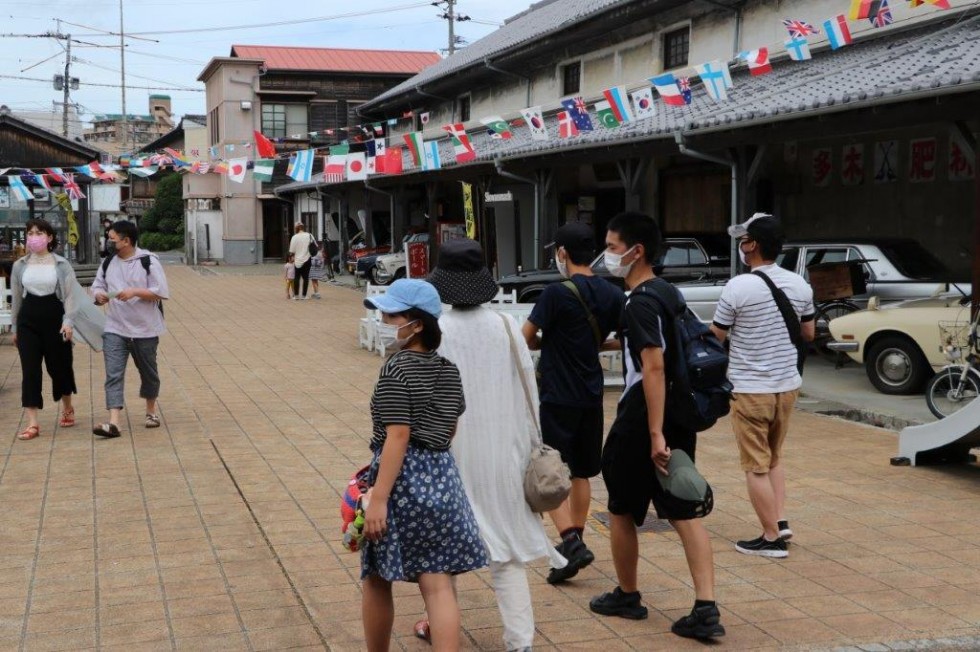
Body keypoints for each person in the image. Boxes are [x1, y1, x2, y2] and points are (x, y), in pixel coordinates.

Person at [590, 211, 724, 640]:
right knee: (683, 506)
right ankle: (706, 607)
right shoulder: (666, 292)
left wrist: (653, 433)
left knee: (621, 508)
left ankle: (628, 595)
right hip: (678, 411)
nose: (608, 256)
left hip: (644, 417)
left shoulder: (640, 301)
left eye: (612, 248)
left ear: (636, 251)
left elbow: (652, 365)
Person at [429, 239, 566, 652]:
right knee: (506, 555)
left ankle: (439, 626)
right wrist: (530, 443)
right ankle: (520, 642)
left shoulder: (437, 330)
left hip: (453, 452)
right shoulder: (507, 326)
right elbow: (530, 391)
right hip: (505, 450)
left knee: (444, 552)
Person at [360, 279, 487, 652]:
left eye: (391, 313)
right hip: (442, 476)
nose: (383, 318)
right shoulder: (448, 369)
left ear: (417, 324)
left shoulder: (396, 370)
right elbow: (450, 429)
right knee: (437, 582)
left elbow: (397, 436)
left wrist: (379, 497)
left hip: (400, 481)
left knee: (378, 578)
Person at [521, 223, 624, 584]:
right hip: (591, 394)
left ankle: (569, 543)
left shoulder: (555, 293)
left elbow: (526, 338)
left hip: (556, 395)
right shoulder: (614, 295)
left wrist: (548, 344)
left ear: (563, 254)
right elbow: (617, 340)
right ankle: (576, 538)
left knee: (550, 467)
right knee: (582, 470)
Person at [709, 213, 815, 558]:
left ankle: (771, 539)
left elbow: (717, 337)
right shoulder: (800, 284)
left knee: (755, 465)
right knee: (774, 456)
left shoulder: (738, 286)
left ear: (753, 245)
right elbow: (809, 334)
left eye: (744, 240)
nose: (741, 245)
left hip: (751, 387)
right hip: (787, 386)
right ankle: (780, 520)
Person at [91, 220, 170, 438]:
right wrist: (98, 295)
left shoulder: (148, 261)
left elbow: (161, 291)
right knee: (113, 374)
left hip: (145, 329)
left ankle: (151, 411)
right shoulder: (108, 262)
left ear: (126, 241)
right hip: (115, 327)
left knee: (149, 373)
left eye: (112, 238)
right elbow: (98, 285)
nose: (108, 242)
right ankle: (114, 422)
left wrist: (135, 291)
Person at [9, 219, 81, 440]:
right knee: (30, 371)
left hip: (55, 319)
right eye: (30, 233)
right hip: (28, 321)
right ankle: (32, 423)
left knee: (58, 367)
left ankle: (67, 405)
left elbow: (70, 296)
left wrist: (68, 322)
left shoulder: (61, 264)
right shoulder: (20, 265)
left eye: (39, 233)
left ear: (49, 237)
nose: (34, 237)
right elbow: (17, 299)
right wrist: (15, 328)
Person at [287, 222, 316, 300]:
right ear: (303, 227)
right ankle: (304, 295)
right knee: (306, 277)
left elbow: (291, 251)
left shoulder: (294, 237)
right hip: (307, 258)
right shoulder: (309, 235)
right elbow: (315, 245)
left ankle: (296, 295)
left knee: (297, 277)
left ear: (296, 228)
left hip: (297, 260)